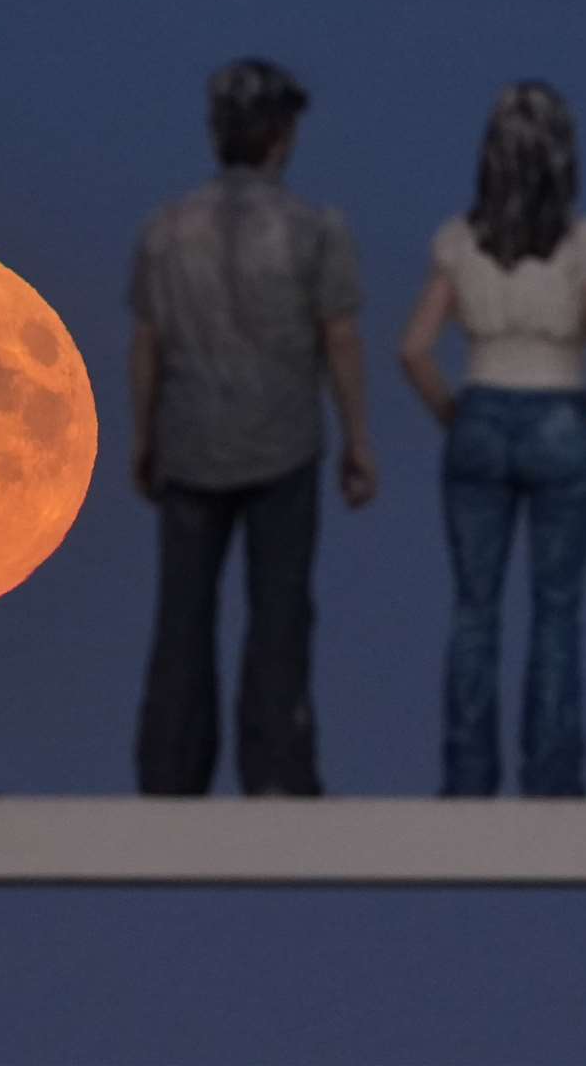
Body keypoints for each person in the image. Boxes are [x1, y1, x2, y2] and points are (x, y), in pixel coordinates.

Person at [127, 58, 376, 797]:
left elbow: (148, 344)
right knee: (279, 611)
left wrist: (143, 437)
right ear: (278, 134)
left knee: (182, 615)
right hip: (283, 441)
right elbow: (339, 338)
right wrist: (358, 436)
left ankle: (170, 769)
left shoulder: (165, 230)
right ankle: (276, 769)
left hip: (191, 437)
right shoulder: (315, 230)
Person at [398, 81, 586, 797]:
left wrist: (451, 414)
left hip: (479, 414)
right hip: (562, 413)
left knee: (474, 608)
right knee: (555, 608)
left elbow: (412, 349)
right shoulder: (584, 244)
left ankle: (466, 776)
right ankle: (552, 777)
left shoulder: (457, 242)